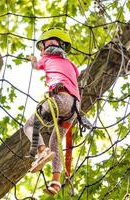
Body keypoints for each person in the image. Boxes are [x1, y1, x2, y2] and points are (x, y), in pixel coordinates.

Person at [24, 28, 81, 196]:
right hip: (74, 108)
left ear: (45, 46)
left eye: (40, 48)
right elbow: (76, 73)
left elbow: (36, 66)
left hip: (60, 100)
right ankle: (56, 182)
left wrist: (33, 60)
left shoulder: (46, 59)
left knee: (29, 126)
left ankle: (41, 152)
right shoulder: (70, 63)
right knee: (56, 142)